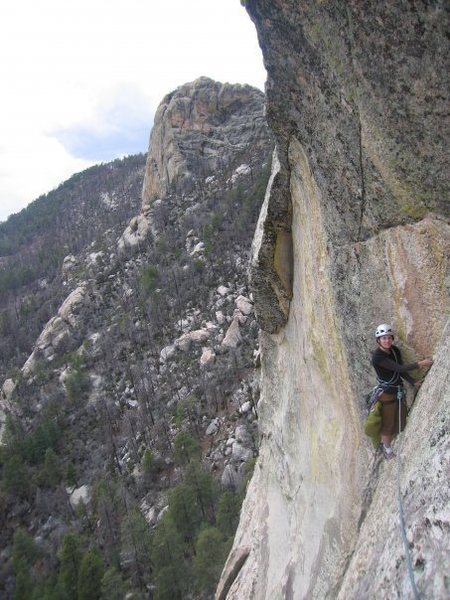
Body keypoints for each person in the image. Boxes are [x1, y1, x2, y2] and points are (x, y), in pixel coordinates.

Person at [371, 324, 433, 459]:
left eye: (388, 338)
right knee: (388, 424)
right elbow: (399, 369)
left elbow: (399, 370)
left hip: (397, 390)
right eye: (383, 338)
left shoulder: (394, 350)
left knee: (401, 418)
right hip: (387, 394)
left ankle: (390, 440)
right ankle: (387, 449)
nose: (387, 341)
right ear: (378, 341)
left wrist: (412, 382)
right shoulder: (378, 357)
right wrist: (421, 364)